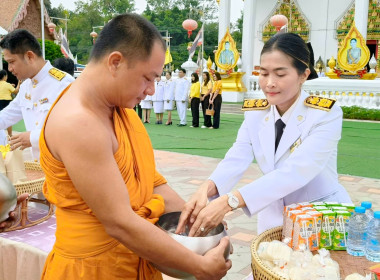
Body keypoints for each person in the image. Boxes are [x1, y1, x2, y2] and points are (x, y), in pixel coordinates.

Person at [37, 14, 230, 280]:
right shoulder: (78, 122)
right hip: (91, 269)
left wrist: (194, 222)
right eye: (147, 78)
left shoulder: (120, 110)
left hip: (137, 257)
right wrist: (198, 267)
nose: (151, 90)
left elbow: (151, 181)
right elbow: (119, 223)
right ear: (115, 62)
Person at [176, 32, 352, 237]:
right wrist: (207, 188)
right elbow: (237, 157)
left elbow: (297, 171)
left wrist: (230, 201)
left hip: (320, 217)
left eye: (280, 74)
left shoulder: (324, 114)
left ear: (303, 75)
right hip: (274, 219)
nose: (269, 83)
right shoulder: (256, 113)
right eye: (264, 73)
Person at [0, 29, 74, 161]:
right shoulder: (25, 87)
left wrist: (32, 137)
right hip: (41, 168)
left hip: (64, 167)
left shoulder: (63, 84)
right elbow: (7, 116)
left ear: (29, 56)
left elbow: (73, 128)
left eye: (11, 62)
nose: (9, 69)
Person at [0, 69, 20, 137]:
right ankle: (10, 134)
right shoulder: (7, 84)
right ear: (4, 76)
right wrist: (19, 84)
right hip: (6, 102)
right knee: (8, 118)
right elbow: (16, 91)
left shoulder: (7, 85)